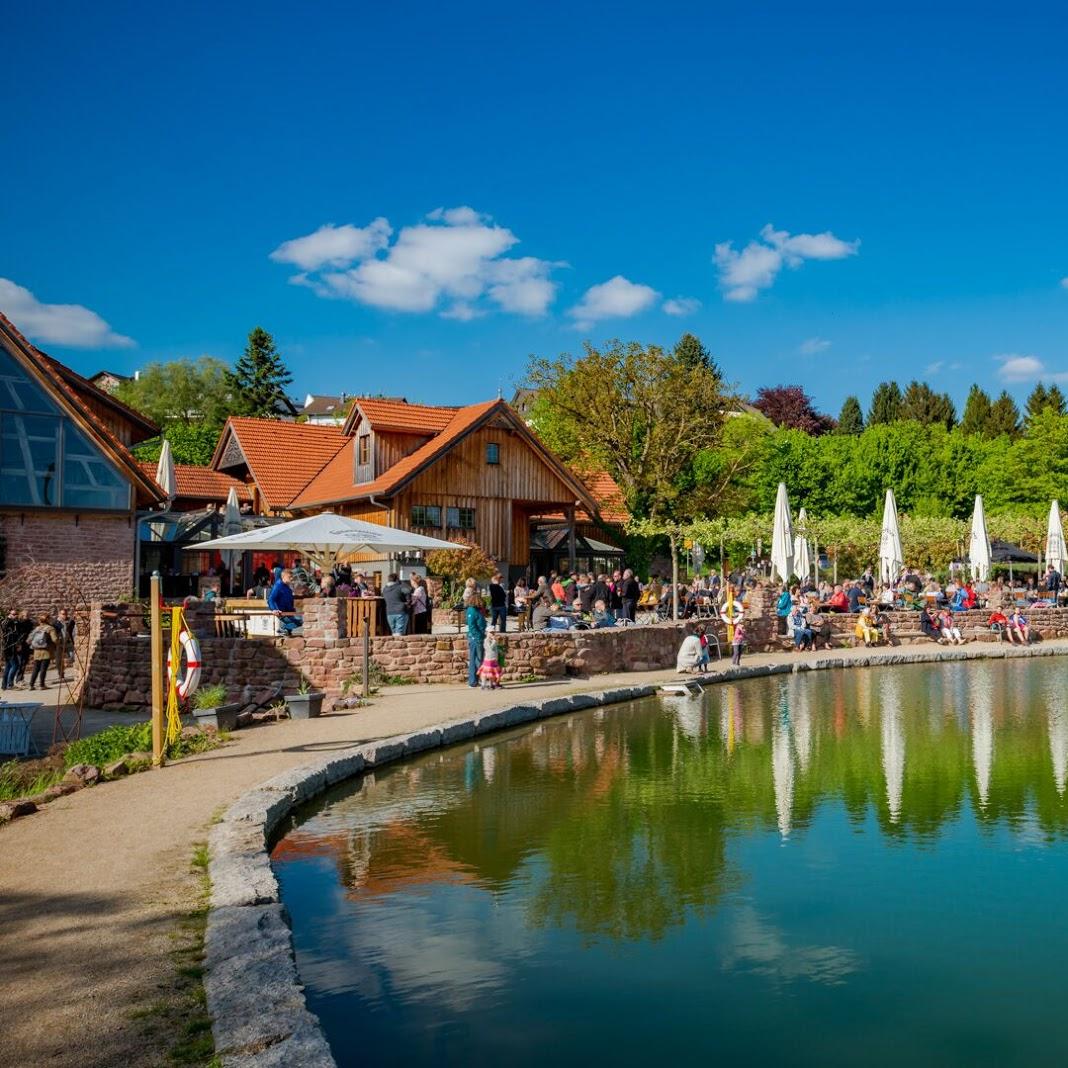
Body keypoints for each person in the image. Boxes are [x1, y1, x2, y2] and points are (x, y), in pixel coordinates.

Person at [267, 568, 303, 636]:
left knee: (295, 625)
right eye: (290, 577)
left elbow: (290, 600)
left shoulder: (288, 588)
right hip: (281, 613)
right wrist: (274, 609)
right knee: (300, 622)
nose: (292, 578)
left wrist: (292, 610)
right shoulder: (278, 586)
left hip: (289, 612)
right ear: (283, 576)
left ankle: (286, 631)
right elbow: (271, 599)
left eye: (292, 577)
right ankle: (283, 628)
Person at [27, 614, 58, 690]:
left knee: (36, 668)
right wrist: (59, 642)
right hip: (46, 651)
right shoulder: (50, 628)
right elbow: (54, 639)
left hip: (36, 651)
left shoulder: (37, 628)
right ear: (48, 620)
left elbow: (29, 639)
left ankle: (31, 685)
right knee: (43, 669)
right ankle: (42, 685)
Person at [465, 590, 487, 687]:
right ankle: (473, 681)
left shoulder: (475, 610)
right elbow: (472, 626)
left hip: (478, 637)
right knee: (475, 660)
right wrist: (478, 637)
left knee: (478, 659)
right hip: (475, 638)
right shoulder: (472, 610)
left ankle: (476, 680)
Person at [1, 609, 20, 691]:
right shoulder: (6, 622)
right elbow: (6, 633)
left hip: (10, 647)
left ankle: (4, 685)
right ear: (9, 614)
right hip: (9, 648)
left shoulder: (13, 622)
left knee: (8, 666)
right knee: (15, 665)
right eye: (14, 614)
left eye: (16, 614)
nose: (15, 616)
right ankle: (10, 684)